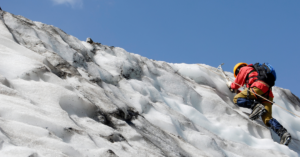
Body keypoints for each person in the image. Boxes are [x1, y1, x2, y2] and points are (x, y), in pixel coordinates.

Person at [227, 62, 291, 146]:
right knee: (267, 118)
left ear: (238, 69)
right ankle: (283, 133)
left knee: (237, 99)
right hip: (267, 94)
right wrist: (239, 91)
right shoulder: (256, 72)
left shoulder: (244, 69)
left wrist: (230, 85)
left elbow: (236, 85)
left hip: (258, 87)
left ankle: (256, 107)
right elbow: (249, 93)